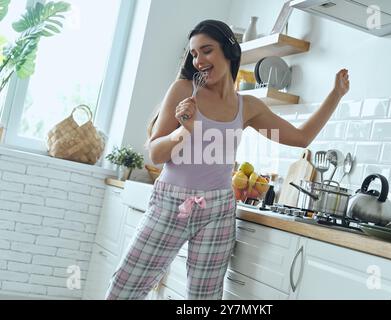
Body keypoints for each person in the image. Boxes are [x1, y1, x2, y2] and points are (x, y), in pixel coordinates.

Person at [105, 19, 349, 300]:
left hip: (218, 210)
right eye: (194, 54)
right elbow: (157, 153)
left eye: (206, 50)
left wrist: (335, 95)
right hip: (172, 203)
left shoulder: (248, 107)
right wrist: (184, 128)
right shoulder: (183, 91)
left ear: (229, 51)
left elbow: (301, 138)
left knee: (204, 299)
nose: (198, 60)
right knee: (124, 287)